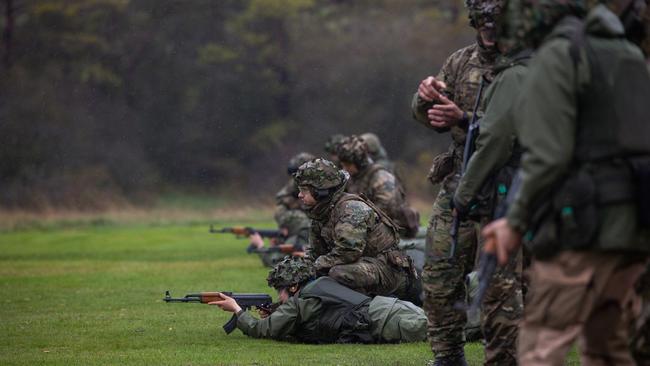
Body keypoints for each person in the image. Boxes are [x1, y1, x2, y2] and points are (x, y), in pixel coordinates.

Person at [483, 1, 650, 364]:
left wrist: (515, 220)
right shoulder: (626, 52)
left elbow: (547, 156)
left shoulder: (560, 56)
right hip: (634, 225)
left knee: (542, 344)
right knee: (608, 347)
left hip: (584, 226)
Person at [410, 0, 503, 364]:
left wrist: (464, 117)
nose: (490, 33)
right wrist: (426, 97)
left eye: (497, 24)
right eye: (484, 25)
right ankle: (447, 356)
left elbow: (521, 125)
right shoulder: (460, 62)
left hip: (506, 186)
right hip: (458, 186)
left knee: (503, 286)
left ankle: (507, 356)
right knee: (438, 278)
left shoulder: (525, 63)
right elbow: (430, 118)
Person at [450, 15, 532, 366]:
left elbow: (496, 139)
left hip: (514, 187)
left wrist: (463, 194)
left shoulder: (513, 75)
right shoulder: (555, 67)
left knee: (501, 283)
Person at [209, 256, 427, 343]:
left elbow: (261, 330)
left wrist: (237, 311)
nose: (279, 297)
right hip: (389, 307)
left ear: (293, 287)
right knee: (446, 323)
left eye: (281, 291)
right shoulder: (321, 284)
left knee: (445, 332)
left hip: (385, 322)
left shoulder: (298, 302)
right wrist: (276, 312)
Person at [293, 158, 417, 301]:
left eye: (304, 190)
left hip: (389, 271)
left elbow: (347, 253)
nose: (299, 195)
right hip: (364, 267)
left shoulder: (351, 209)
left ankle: (362, 311)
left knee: (338, 273)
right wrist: (298, 273)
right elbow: (315, 253)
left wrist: (315, 266)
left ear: (320, 192)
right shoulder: (321, 213)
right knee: (318, 273)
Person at [336, 135, 420, 239]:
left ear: (358, 162)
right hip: (364, 227)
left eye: (348, 165)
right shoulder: (354, 177)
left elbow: (386, 210)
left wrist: (354, 220)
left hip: (389, 230)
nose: (345, 168)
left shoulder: (381, 178)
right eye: (343, 165)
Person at [274, 152, 315, 227]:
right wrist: (298, 204)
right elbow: (281, 197)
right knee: (280, 210)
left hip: (316, 211)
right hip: (303, 211)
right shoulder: (295, 182)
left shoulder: (320, 181)